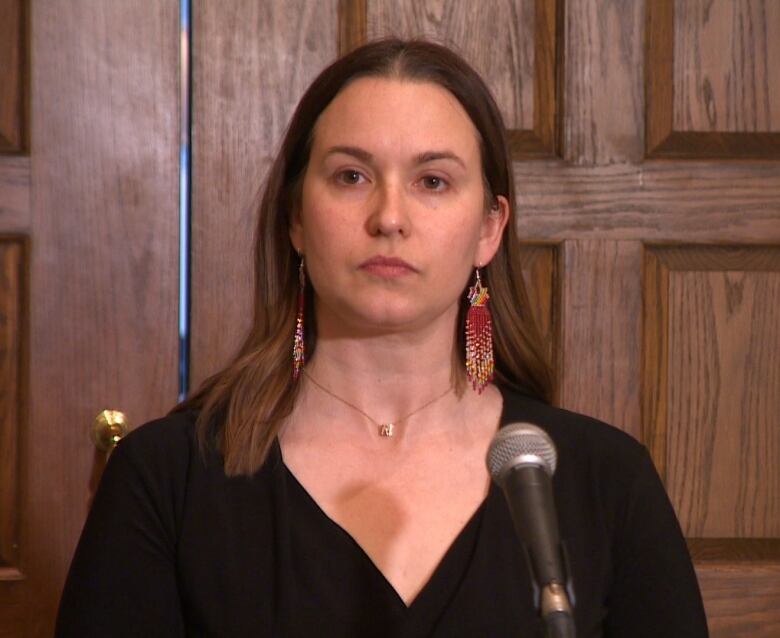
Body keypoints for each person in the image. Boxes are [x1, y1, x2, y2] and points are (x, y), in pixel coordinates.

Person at [55, 38, 709, 637]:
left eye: (433, 181)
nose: (389, 217)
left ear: (489, 227)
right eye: (351, 176)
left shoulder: (604, 481)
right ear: (296, 220)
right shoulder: (169, 478)